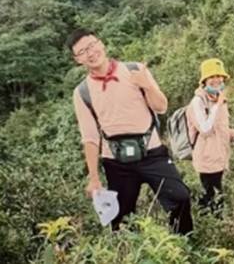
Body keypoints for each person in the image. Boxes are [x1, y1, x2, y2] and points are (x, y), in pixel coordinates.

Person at [67, 29, 193, 234]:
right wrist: (94, 177)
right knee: (121, 220)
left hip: (152, 153)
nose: (90, 53)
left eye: (91, 45)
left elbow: (161, 107)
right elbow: (90, 137)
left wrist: (147, 86)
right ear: (77, 60)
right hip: (116, 162)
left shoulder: (134, 70)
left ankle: (182, 247)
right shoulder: (82, 92)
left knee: (180, 197)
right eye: (82, 52)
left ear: (101, 44)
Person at [187, 58, 234, 215]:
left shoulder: (218, 98)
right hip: (207, 159)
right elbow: (205, 130)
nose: (216, 80)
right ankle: (209, 230)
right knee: (211, 197)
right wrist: (217, 106)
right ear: (204, 80)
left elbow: (221, 127)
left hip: (220, 156)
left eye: (219, 76)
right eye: (212, 77)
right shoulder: (198, 102)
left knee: (217, 196)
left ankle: (215, 227)